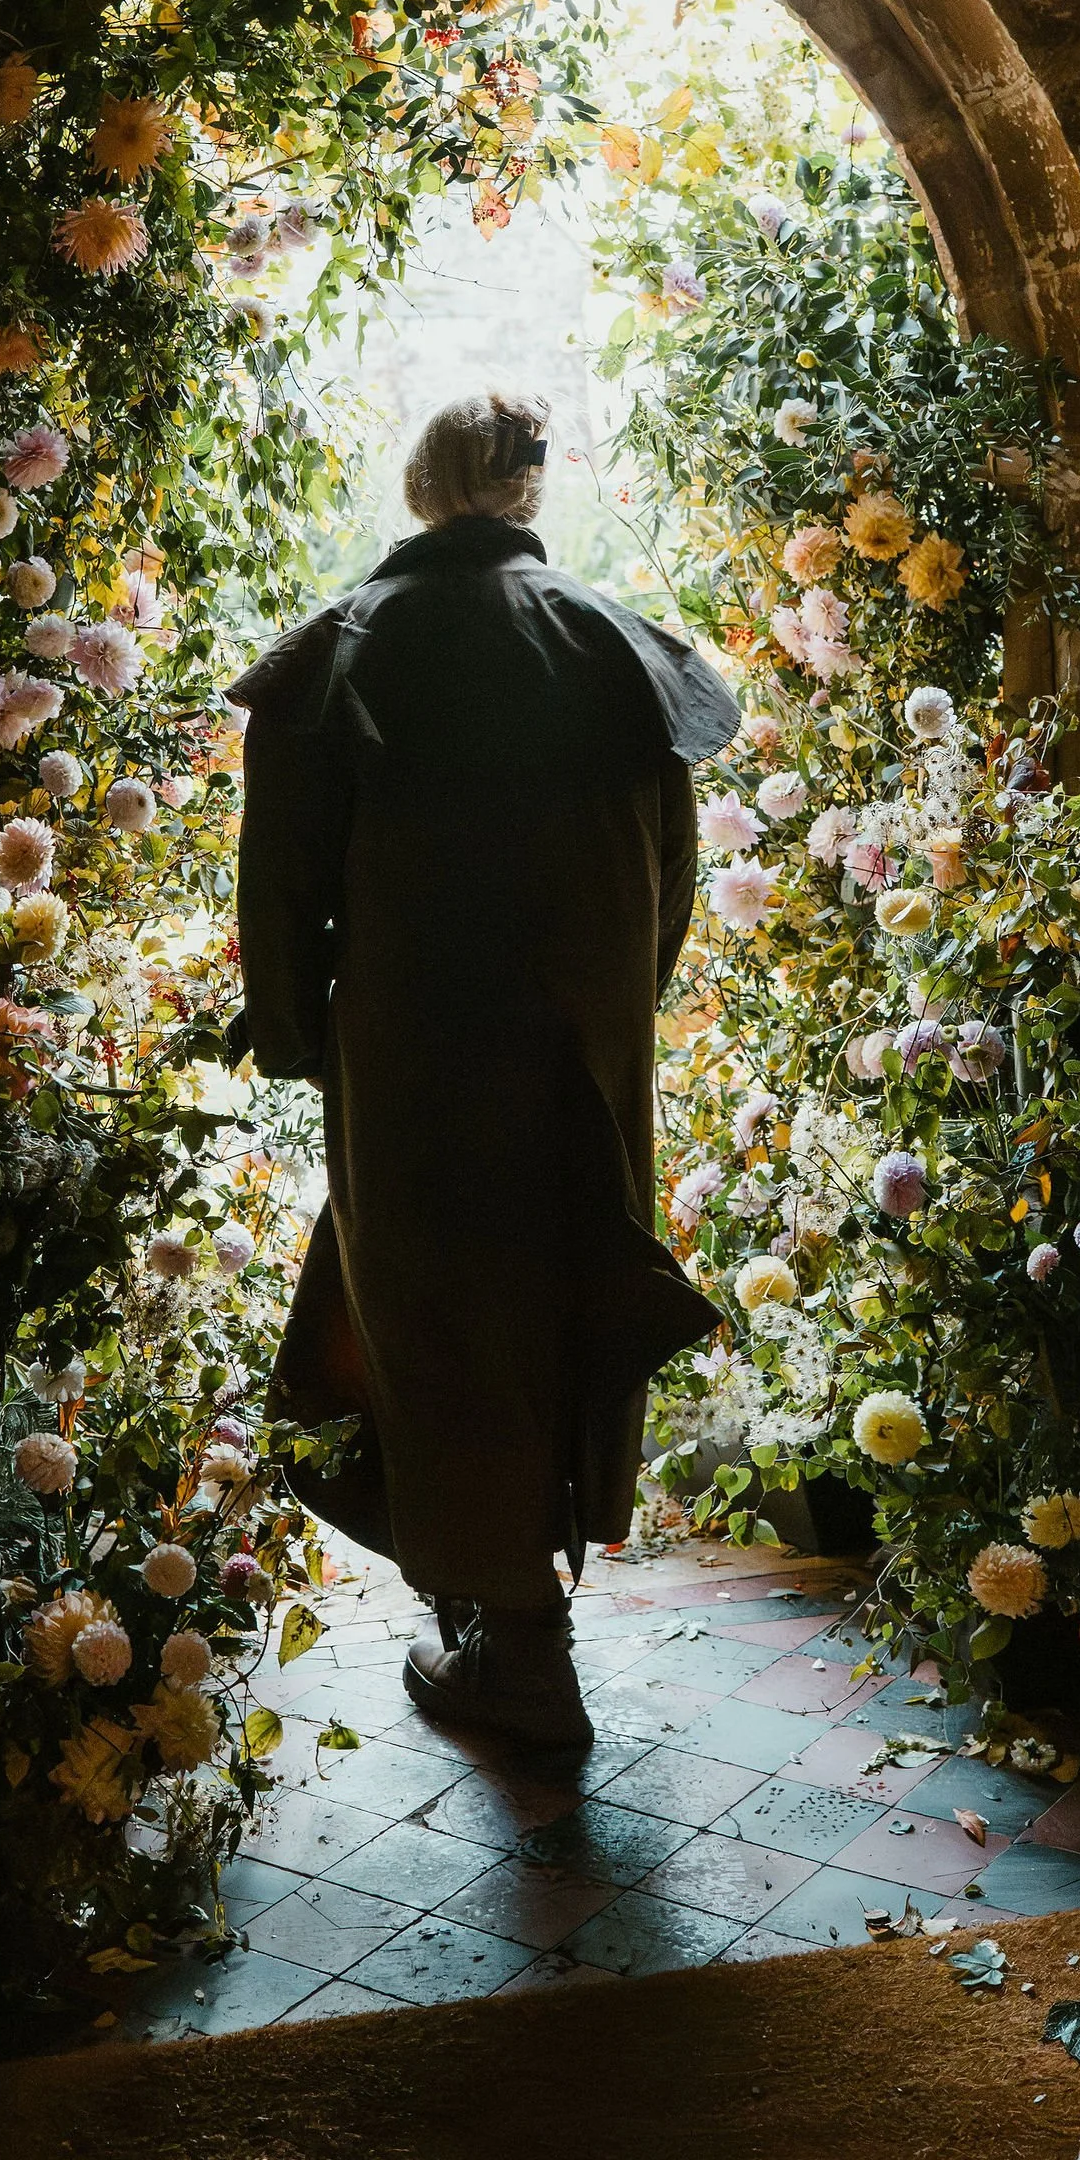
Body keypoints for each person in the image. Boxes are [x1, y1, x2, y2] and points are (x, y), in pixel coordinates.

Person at [227, 391, 737, 1749]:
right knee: (568, 1301)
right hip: (584, 1057)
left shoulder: (344, 650)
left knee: (440, 1327)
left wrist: (291, 1035)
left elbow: (278, 891)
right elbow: (668, 880)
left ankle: (521, 1653)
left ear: (417, 484)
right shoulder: (614, 648)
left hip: (417, 1065)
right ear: (524, 492)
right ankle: (499, 1607)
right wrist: (609, 1017)